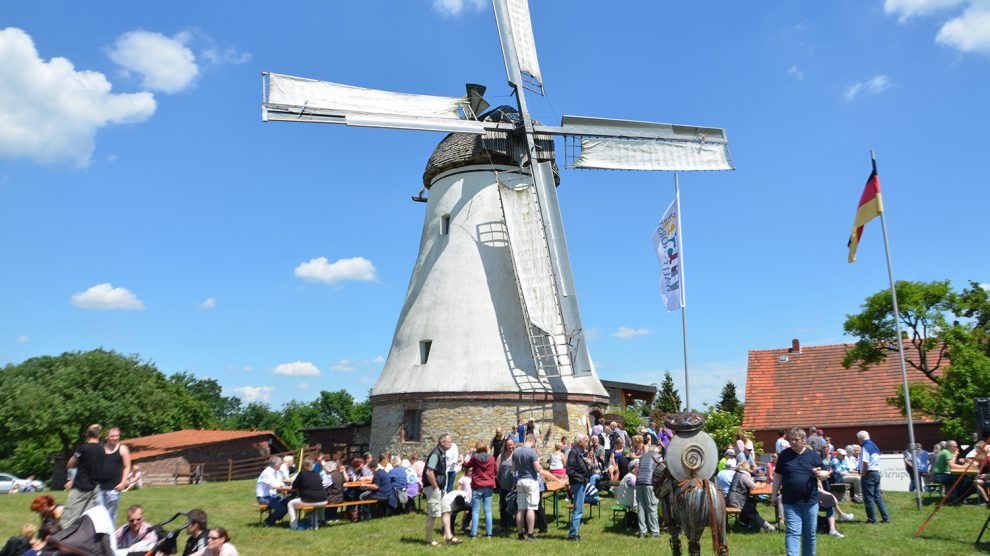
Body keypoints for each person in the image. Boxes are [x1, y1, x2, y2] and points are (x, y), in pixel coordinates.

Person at [771, 427, 830, 556]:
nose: (792, 442)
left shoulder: (813, 455)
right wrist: (773, 494)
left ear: (803, 440)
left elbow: (826, 473)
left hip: (810, 501)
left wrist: (819, 473)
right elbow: (777, 476)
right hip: (790, 502)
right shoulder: (784, 455)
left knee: (810, 534)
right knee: (793, 532)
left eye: (796, 440)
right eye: (791, 439)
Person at [62, 424, 106, 527]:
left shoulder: (82, 448)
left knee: (69, 517)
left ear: (87, 435)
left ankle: (63, 539)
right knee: (86, 517)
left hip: (81, 486)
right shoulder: (102, 450)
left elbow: (70, 464)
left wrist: (70, 478)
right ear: (99, 436)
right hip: (95, 488)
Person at [725, 461, 775, 533]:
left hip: (732, 499)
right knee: (751, 510)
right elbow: (753, 486)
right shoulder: (743, 475)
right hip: (737, 500)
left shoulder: (738, 474)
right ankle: (768, 527)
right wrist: (762, 484)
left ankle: (747, 523)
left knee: (753, 501)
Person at [462, 440, 496, 539]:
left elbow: (466, 465)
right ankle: (489, 534)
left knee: (475, 511)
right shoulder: (492, 458)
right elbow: (495, 470)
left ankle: (474, 534)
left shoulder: (475, 458)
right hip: (488, 485)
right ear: (485, 448)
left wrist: (470, 455)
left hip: (477, 486)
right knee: (488, 511)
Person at [512, 433, 542, 541]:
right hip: (531, 481)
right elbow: (538, 469)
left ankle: (520, 534)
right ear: (532, 440)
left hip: (520, 480)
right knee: (531, 508)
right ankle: (530, 534)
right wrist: (539, 463)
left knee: (520, 508)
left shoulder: (516, 451)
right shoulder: (532, 452)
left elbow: (514, 468)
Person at [425, 433, 452, 547]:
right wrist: (435, 487)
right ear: (442, 442)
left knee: (446, 511)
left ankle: (449, 537)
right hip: (433, 488)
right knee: (433, 514)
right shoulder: (436, 454)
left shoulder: (442, 453)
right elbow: (429, 472)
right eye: (450, 441)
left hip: (440, 488)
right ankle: (429, 540)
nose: (451, 443)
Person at [100, 426, 131, 526]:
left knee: (111, 515)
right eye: (112, 436)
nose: (115, 438)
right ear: (107, 437)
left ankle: (111, 538)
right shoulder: (101, 449)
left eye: (117, 436)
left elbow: (127, 466)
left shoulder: (122, 449)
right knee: (100, 514)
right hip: (100, 488)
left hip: (114, 489)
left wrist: (123, 483)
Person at [857, 430, 890, 524]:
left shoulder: (865, 447)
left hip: (869, 474)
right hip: (876, 472)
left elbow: (865, 463)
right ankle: (886, 518)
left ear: (861, 439)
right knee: (877, 497)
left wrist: (863, 474)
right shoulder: (874, 446)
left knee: (868, 498)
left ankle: (872, 519)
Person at [287, 458, 327, 530]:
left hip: (311, 500)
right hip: (323, 500)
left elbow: (294, 486)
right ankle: (315, 525)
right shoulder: (317, 474)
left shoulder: (302, 474)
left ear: (304, 466)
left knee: (290, 503)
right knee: (312, 505)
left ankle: (293, 526)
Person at [565, 434, 591, 541]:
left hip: (580, 483)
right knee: (578, 509)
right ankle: (573, 535)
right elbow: (570, 470)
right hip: (578, 483)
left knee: (578, 509)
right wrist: (581, 478)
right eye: (585, 441)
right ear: (580, 442)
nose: (587, 443)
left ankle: (575, 533)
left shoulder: (578, 453)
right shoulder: (573, 452)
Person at [635, 437, 662, 539]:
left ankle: (642, 532)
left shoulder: (643, 457)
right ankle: (655, 532)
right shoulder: (658, 457)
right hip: (649, 484)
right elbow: (660, 472)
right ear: (656, 451)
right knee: (652, 508)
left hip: (639, 483)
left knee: (641, 508)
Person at [256, 456, 290, 526]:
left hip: (271, 496)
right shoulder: (267, 473)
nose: (281, 466)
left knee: (289, 502)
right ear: (276, 465)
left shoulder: (276, 472)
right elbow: (275, 486)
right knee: (282, 509)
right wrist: (287, 488)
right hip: (263, 497)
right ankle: (268, 521)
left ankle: (275, 518)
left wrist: (285, 488)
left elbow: (280, 483)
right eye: (280, 465)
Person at [496, 437, 516, 533]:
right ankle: (503, 525)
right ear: (505, 445)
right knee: (503, 505)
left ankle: (514, 523)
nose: (510, 447)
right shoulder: (501, 456)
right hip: (503, 485)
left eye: (511, 444)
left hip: (514, 485)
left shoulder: (516, 455)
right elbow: (497, 470)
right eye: (508, 445)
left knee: (515, 505)